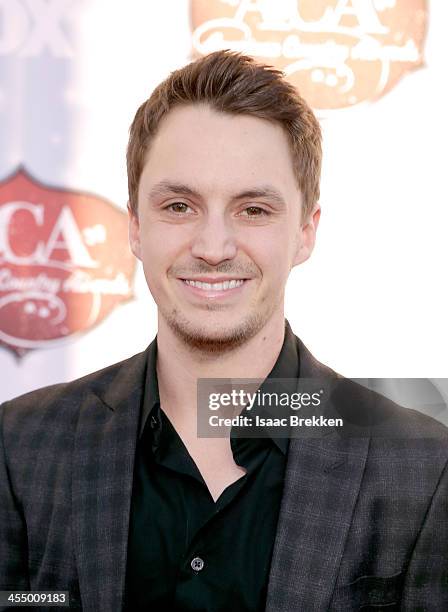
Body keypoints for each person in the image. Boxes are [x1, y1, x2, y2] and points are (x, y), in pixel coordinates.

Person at [1, 51, 447, 612]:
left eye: (254, 210)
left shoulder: (423, 469)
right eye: (180, 205)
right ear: (136, 227)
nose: (213, 248)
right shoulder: (18, 449)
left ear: (306, 233)